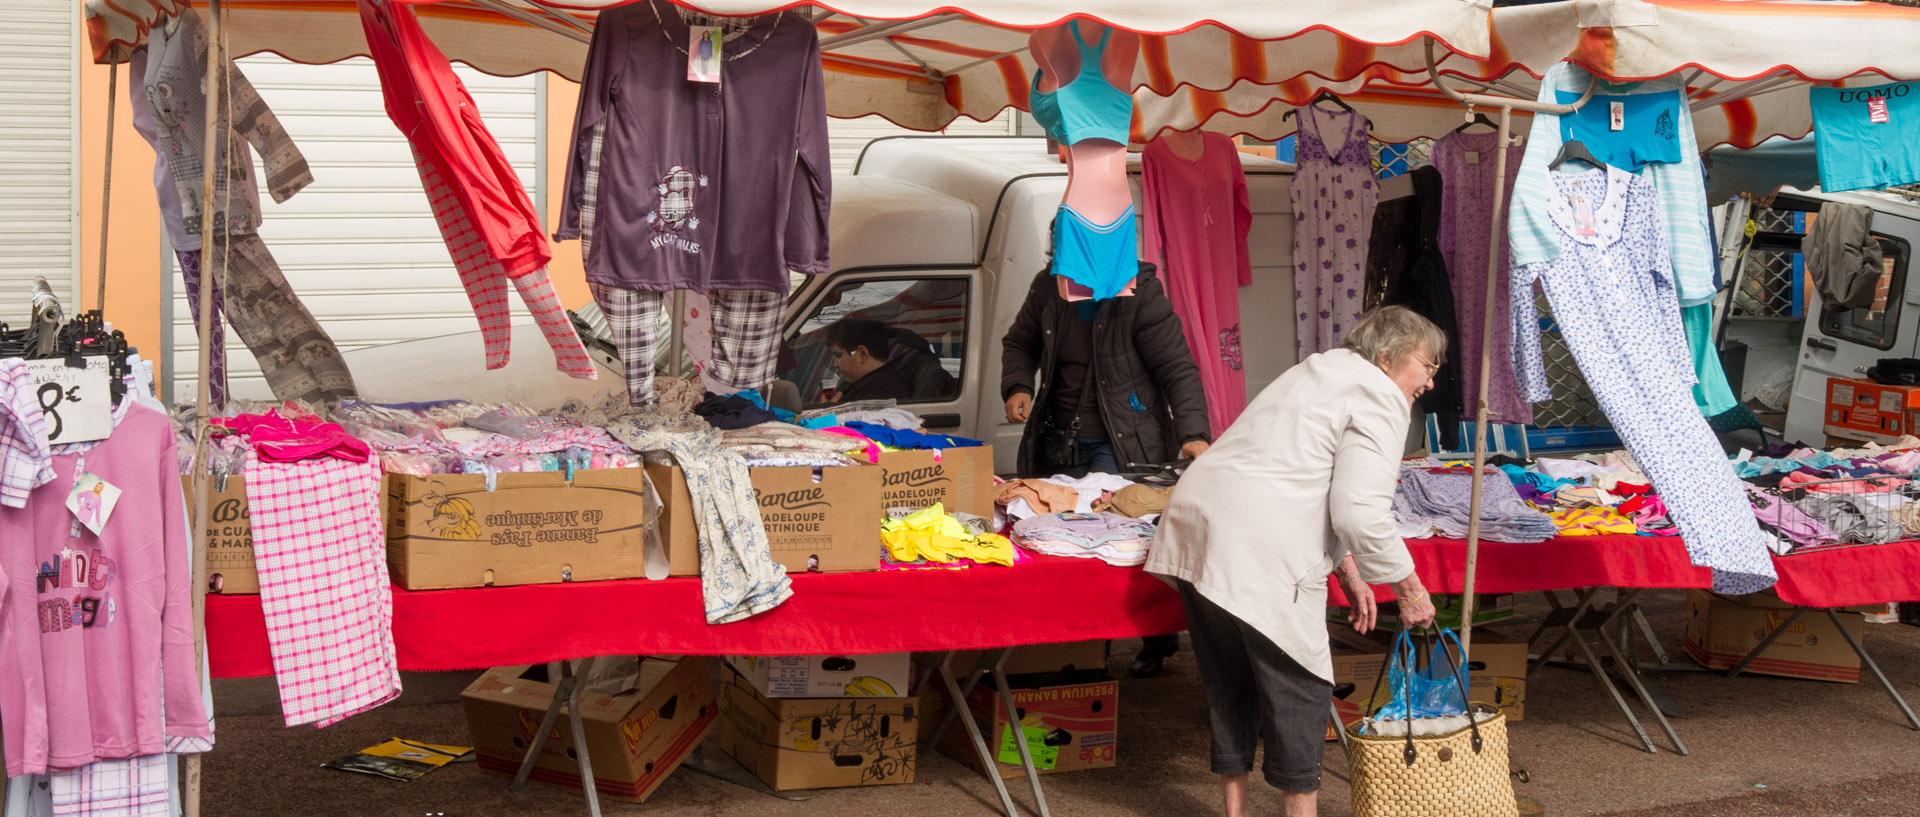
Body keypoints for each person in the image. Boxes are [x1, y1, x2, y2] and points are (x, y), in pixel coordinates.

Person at [1144, 305, 1441, 817]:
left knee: (1228, 679)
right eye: (1428, 365)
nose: (1431, 381)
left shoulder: (1315, 369)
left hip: (1197, 527)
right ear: (1388, 357)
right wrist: (1411, 591)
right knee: (1301, 685)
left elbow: (1302, 472)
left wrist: (1349, 571)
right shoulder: (1380, 394)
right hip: (1255, 541)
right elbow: (1358, 510)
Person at [1001, 260, 1212, 678]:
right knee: (1065, 546)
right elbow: (1019, 342)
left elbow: (1176, 367)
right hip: (1058, 441)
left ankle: (1155, 637)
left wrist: (1193, 433)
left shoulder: (1142, 292)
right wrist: (1018, 385)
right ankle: (1081, 653)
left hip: (1126, 443)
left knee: (1125, 545)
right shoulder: (1047, 284)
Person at [825, 318, 918, 403]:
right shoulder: (878, 384)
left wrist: (829, 413)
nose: (835, 364)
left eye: (839, 355)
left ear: (862, 354)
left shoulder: (876, 391)